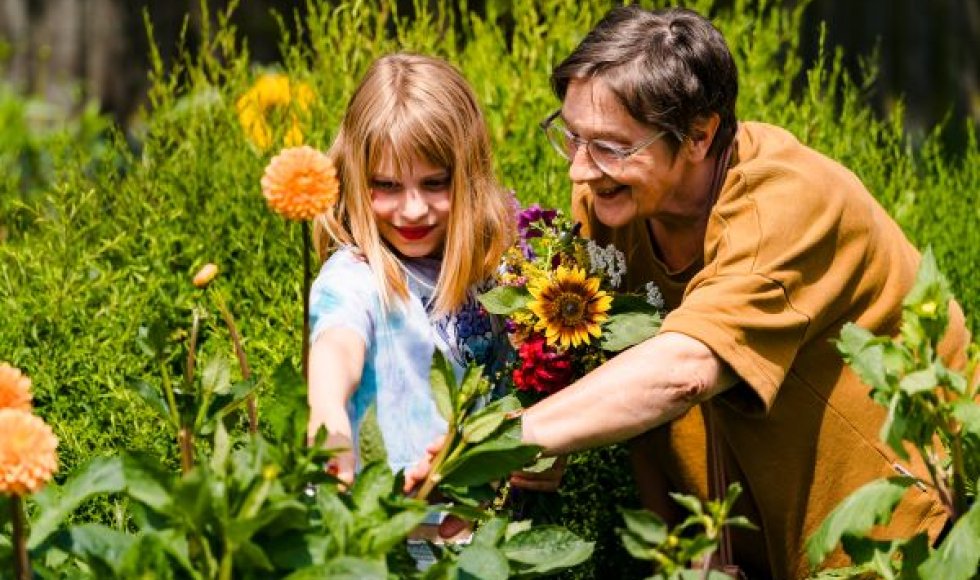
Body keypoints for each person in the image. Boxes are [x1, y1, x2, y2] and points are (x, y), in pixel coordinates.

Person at [406, 6, 971, 578]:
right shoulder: (615, 204)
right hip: (734, 540)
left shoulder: (787, 204)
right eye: (572, 136)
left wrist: (506, 439)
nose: (580, 170)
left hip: (901, 521)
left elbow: (685, 368)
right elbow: (631, 379)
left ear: (699, 134)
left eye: (609, 146)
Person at [306, 53, 514, 491]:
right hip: (383, 531)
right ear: (355, 180)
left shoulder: (491, 277)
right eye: (386, 185)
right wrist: (328, 414)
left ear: (470, 176)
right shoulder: (356, 275)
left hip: (473, 531)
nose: (413, 209)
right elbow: (337, 344)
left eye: (435, 183)